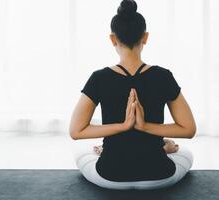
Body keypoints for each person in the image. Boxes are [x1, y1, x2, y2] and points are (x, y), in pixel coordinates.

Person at [69, 0, 197, 190]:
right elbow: (189, 129)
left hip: (110, 176)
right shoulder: (163, 76)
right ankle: (166, 146)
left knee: (83, 151)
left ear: (113, 39)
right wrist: (145, 127)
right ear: (145, 37)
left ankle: (106, 150)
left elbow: (76, 131)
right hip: (158, 175)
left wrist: (123, 126)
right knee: (184, 151)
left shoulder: (99, 78)